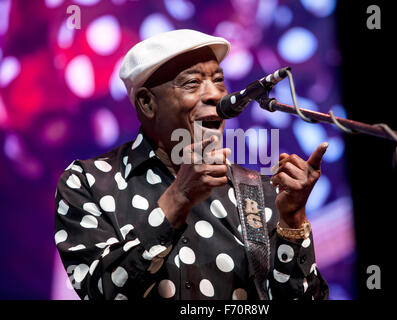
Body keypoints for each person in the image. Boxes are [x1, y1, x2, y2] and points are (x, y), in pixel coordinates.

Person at [54, 29, 329, 300]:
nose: (214, 96)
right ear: (147, 103)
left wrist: (293, 221)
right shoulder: (88, 182)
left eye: (219, 81)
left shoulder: (257, 191)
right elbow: (101, 292)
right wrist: (179, 197)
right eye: (192, 83)